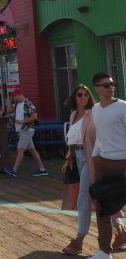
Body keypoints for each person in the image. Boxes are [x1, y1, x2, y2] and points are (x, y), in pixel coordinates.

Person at [61, 84, 126, 255]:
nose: (83, 98)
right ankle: (121, 231)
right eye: (79, 95)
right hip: (78, 157)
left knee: (84, 197)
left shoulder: (94, 113)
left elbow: (101, 137)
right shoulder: (74, 114)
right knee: (100, 197)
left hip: (92, 157)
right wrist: (69, 158)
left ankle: (79, 239)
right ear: (74, 97)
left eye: (86, 95)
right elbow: (73, 140)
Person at [88, 72, 126, 259]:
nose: (111, 87)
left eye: (112, 84)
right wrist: (95, 158)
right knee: (101, 207)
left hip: (122, 163)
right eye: (106, 85)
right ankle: (104, 251)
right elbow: (100, 137)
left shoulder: (123, 107)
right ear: (97, 88)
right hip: (102, 163)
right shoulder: (95, 109)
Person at [3, 87, 48, 177]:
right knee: (32, 150)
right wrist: (10, 100)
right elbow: (8, 110)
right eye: (14, 96)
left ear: (20, 94)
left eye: (15, 96)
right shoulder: (16, 103)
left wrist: (23, 121)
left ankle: (14, 169)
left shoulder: (28, 104)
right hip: (22, 130)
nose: (14, 98)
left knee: (20, 149)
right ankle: (42, 169)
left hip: (27, 129)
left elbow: (34, 116)